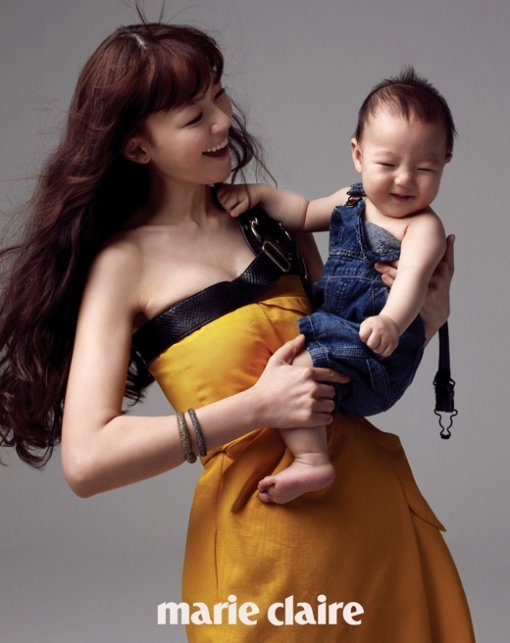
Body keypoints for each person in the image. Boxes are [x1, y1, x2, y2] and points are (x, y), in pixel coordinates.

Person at [0, 20, 474, 643]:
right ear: (138, 148)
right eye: (194, 116)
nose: (223, 120)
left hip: (380, 534)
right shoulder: (123, 266)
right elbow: (87, 462)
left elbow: (349, 370)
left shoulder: (271, 223)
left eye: (219, 96)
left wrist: (426, 319)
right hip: (265, 562)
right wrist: (256, 407)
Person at [217, 68, 455, 505]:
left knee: (296, 370)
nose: (404, 179)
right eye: (388, 164)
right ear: (358, 155)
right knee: (292, 364)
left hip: (379, 351)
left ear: (444, 163)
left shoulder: (423, 228)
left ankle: (311, 461)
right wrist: (259, 195)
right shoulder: (352, 198)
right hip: (339, 328)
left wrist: (390, 321)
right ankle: (313, 452)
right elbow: (304, 213)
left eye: (424, 168)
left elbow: (413, 283)